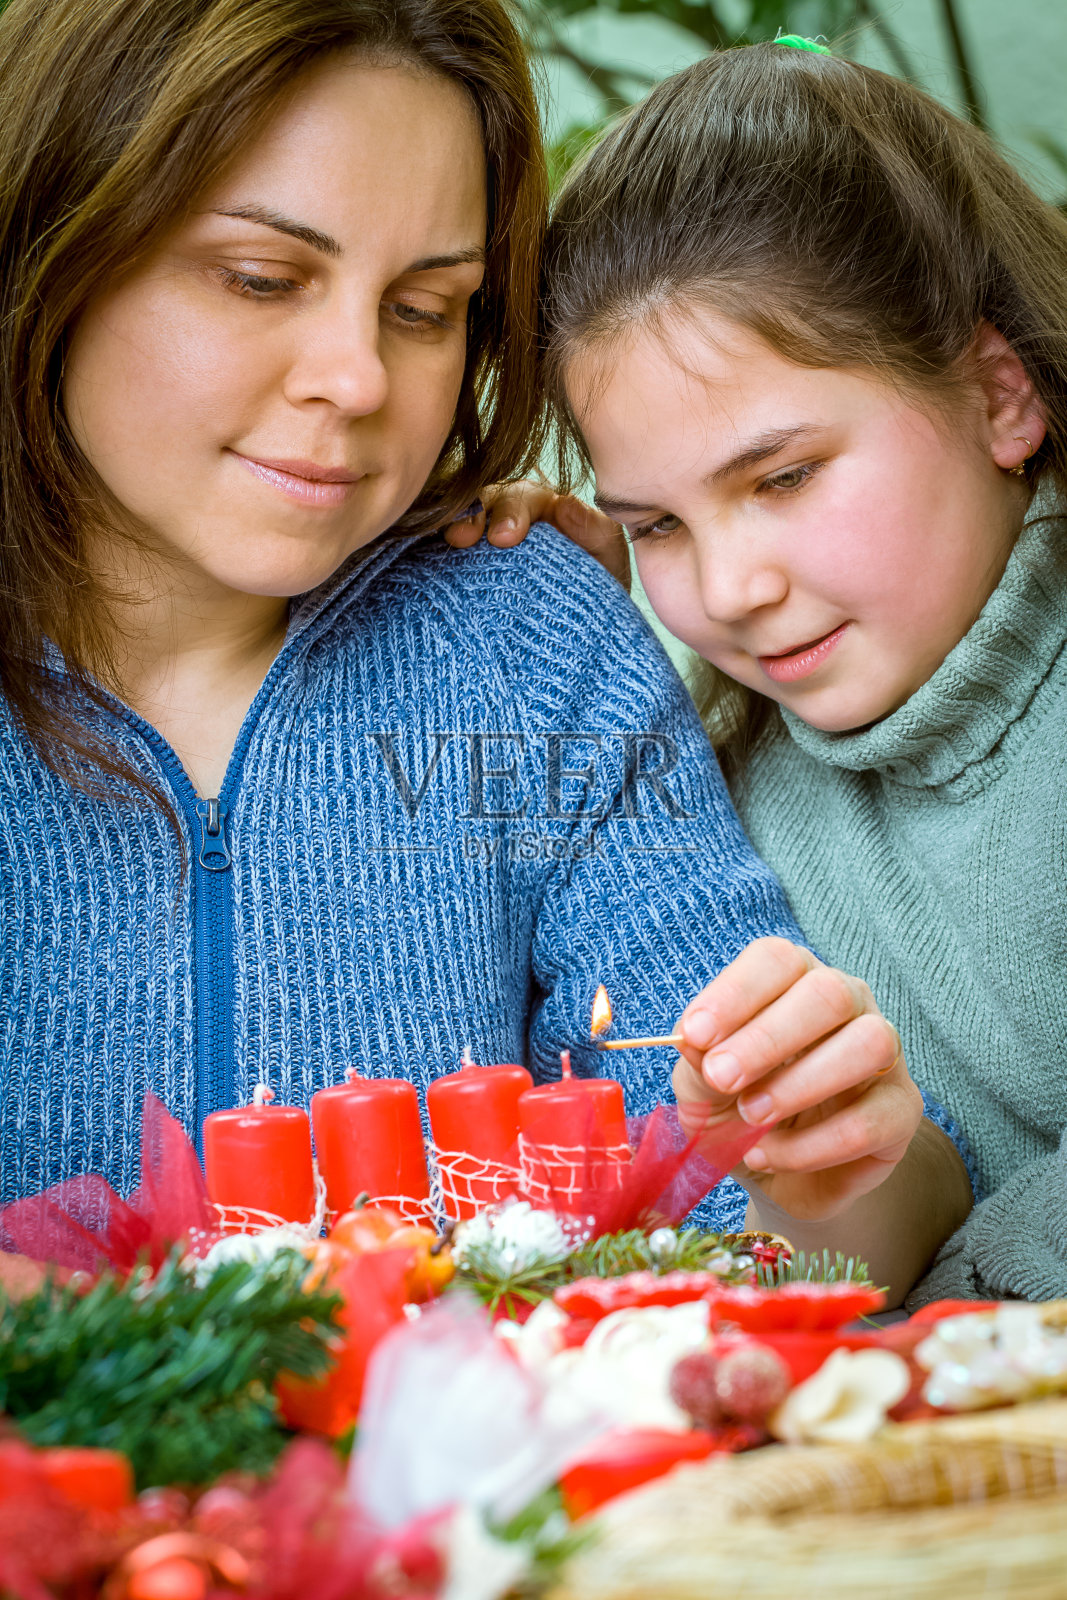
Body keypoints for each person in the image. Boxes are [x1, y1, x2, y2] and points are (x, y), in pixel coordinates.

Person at [0, 0, 946, 1305]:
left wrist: (839, 1157)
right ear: (52, 239)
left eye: (425, 307)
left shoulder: (527, 637)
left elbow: (819, 1233)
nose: (356, 379)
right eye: (262, 277)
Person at [449, 39, 1067, 1303]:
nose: (726, 590)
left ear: (999, 394)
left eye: (780, 477)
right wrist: (557, 618)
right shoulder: (725, 787)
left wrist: (960, 1285)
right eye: (656, 524)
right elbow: (841, 1232)